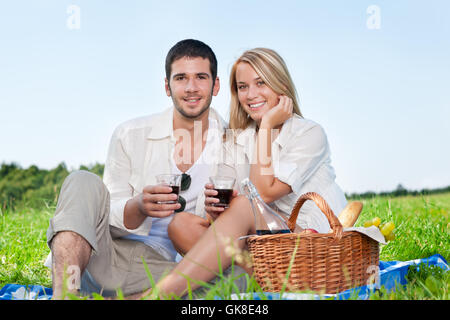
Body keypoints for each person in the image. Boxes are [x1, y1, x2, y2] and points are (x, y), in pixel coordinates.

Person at [45, 39, 247, 299]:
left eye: (201, 77)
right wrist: (138, 206)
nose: (191, 88)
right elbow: (104, 212)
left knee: (240, 279)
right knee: (81, 180)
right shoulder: (130, 134)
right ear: (167, 86)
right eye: (181, 78)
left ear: (215, 85)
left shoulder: (237, 145)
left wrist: (215, 217)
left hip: (178, 270)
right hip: (109, 259)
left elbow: (239, 227)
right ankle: (65, 295)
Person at [157, 47, 348, 297]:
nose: (251, 94)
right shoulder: (235, 141)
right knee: (181, 224)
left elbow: (262, 194)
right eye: (243, 86)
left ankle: (158, 293)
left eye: (261, 83)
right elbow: (227, 218)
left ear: (280, 85)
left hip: (309, 246)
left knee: (247, 203)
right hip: (263, 251)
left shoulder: (309, 134)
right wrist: (216, 210)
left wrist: (267, 125)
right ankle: (258, 282)